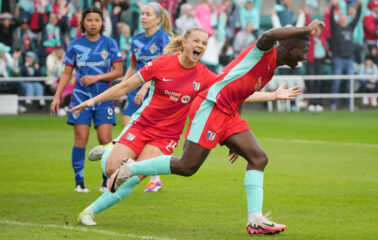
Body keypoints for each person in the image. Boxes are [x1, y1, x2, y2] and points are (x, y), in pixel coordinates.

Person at [71, 19, 323, 234]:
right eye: (303, 49)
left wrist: (237, 138)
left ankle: (255, 220)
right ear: (289, 47)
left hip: (227, 113)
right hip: (211, 108)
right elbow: (268, 34)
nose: (305, 55)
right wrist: (307, 27)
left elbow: (238, 93)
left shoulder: (269, 69)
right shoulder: (264, 52)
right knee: (186, 166)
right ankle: (130, 167)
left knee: (258, 157)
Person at [50, 6, 123, 193]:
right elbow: (66, 73)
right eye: (89, 20)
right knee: (80, 139)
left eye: (97, 20)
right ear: (83, 23)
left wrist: (97, 78)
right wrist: (57, 96)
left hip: (103, 98)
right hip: (80, 99)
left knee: (105, 140)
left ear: (102, 23)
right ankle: (79, 183)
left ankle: (105, 180)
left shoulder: (110, 43)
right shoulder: (75, 45)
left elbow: (118, 71)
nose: (93, 23)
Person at [121, 2, 172, 192]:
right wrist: (123, 88)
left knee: (151, 137)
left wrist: (146, 86)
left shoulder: (164, 39)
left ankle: (155, 178)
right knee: (127, 132)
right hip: (136, 91)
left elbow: (164, 67)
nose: (143, 17)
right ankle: (125, 174)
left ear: (158, 19)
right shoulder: (136, 39)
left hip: (156, 91)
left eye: (148, 14)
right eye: (142, 13)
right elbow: (133, 67)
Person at [329, 0, 361, 110]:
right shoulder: (336, 28)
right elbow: (331, 18)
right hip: (338, 58)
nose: (343, 19)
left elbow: (357, 18)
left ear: (347, 19)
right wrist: (333, 6)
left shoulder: (351, 27)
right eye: (341, 18)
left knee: (350, 83)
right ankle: (333, 103)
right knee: (336, 82)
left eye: (344, 18)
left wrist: (359, 6)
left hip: (349, 59)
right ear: (339, 20)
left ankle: (348, 104)